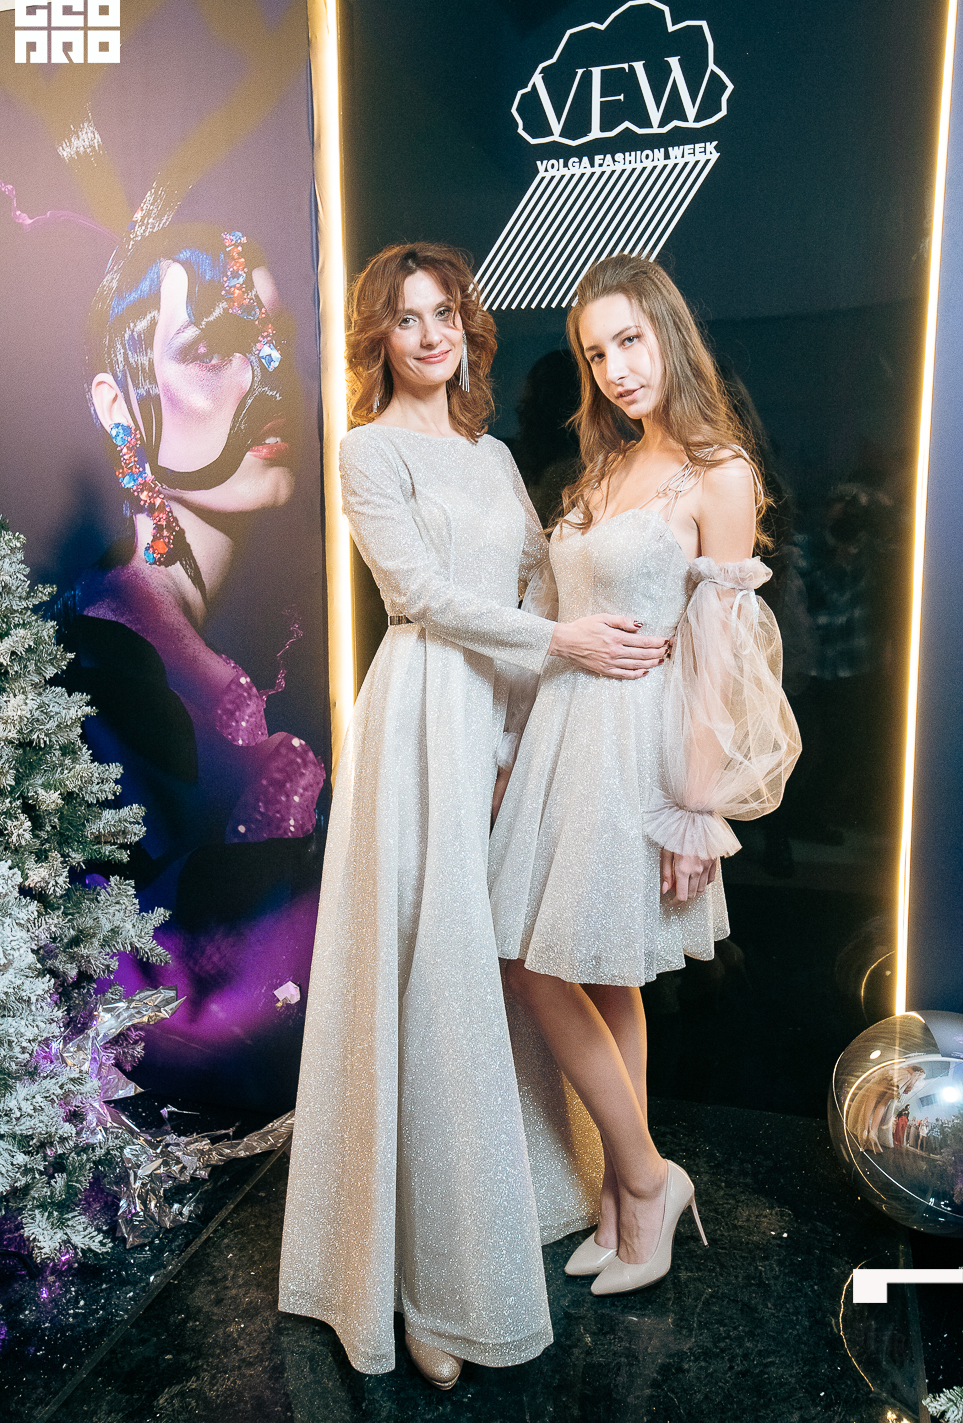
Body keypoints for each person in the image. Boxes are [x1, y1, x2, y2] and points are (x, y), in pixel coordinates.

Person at [277, 243, 669, 1387]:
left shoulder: (494, 456)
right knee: (430, 980)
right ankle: (420, 1286)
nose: (431, 334)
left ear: (467, 328)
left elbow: (538, 578)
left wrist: (533, 719)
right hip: (420, 724)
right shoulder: (366, 449)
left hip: (505, 719)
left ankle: (521, 1216)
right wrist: (559, 642)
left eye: (445, 313)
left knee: (502, 974)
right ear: (380, 337)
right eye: (407, 319)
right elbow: (419, 594)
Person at [490, 253, 800, 1297]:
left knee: (543, 966)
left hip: (637, 750)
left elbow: (721, 654)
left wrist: (695, 807)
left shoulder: (718, 473)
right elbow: (553, 617)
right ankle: (627, 1202)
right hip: (562, 739)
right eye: (595, 352)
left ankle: (645, 1179)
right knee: (591, 968)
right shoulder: (601, 469)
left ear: (669, 333)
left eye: (629, 339)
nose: (616, 367)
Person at [58, 222, 325, 1108]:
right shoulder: (103, 674)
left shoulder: (295, 633)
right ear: (117, 405)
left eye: (276, 343)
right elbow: (158, 1023)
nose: (266, 381)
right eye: (211, 351)